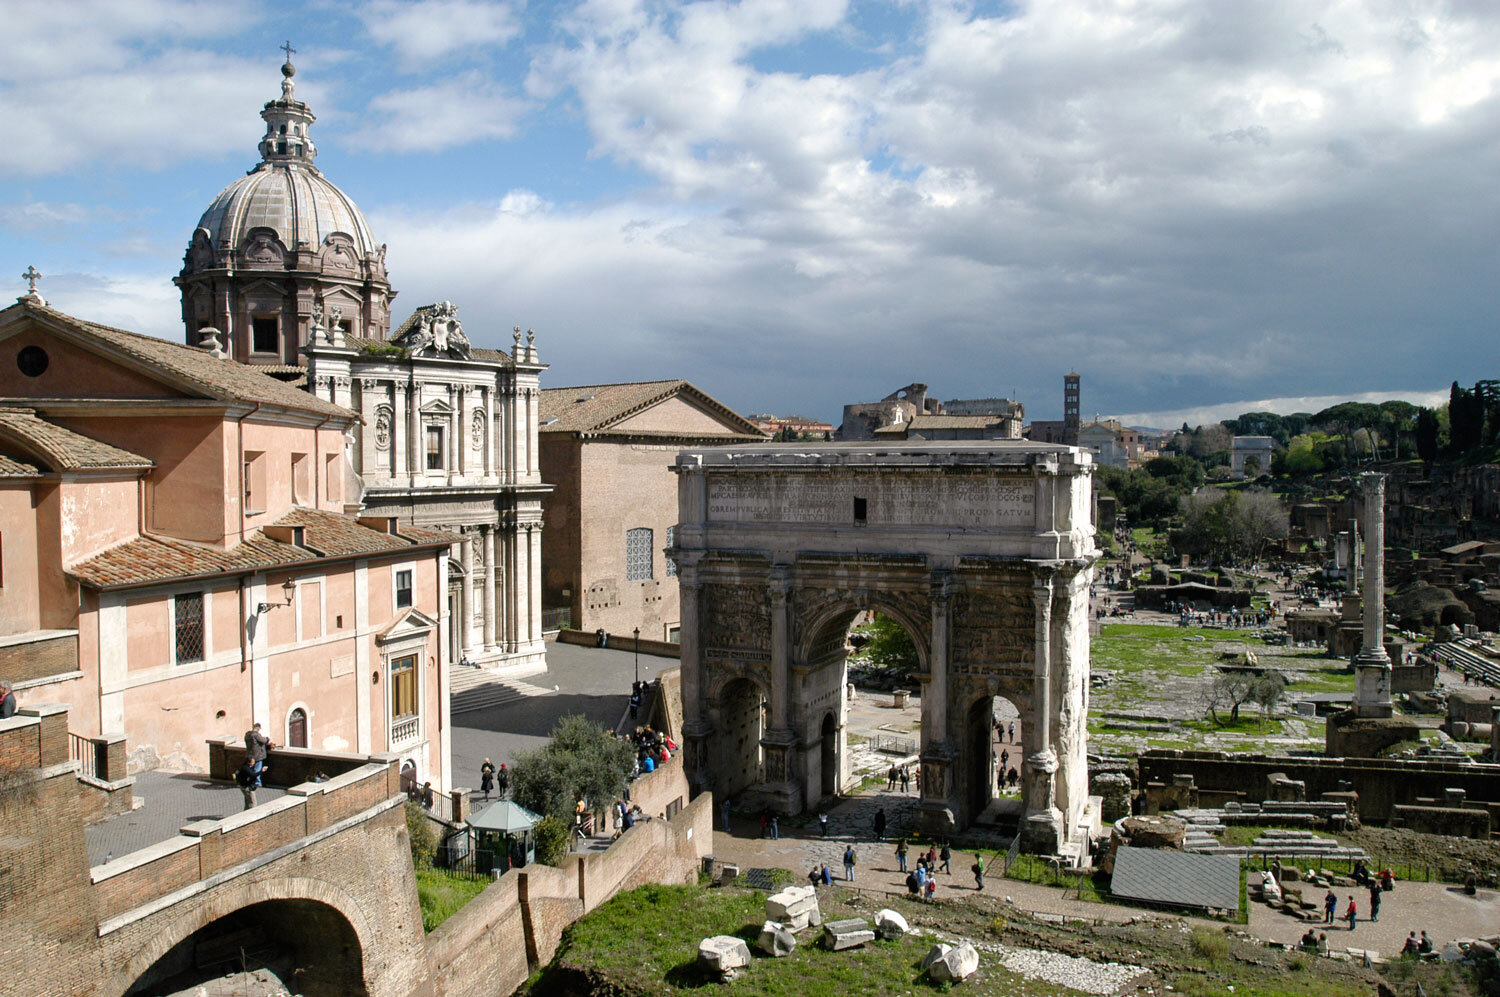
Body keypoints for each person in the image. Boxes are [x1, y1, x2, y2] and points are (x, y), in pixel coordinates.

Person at [244, 722, 272, 787]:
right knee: (257, 770)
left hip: (249, 755)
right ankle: (257, 783)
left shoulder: (247, 734)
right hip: (257, 755)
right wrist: (267, 739)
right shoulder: (256, 735)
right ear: (258, 728)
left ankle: (249, 781)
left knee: (250, 770)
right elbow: (264, 741)